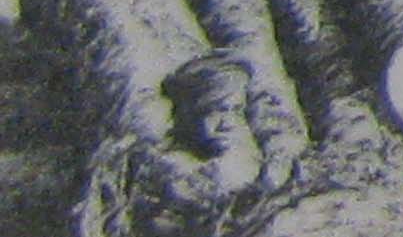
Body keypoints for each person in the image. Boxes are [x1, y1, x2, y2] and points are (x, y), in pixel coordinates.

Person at [74, 52, 283, 237]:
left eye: (236, 110)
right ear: (187, 112)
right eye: (215, 109)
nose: (227, 122)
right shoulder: (154, 166)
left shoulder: (227, 173)